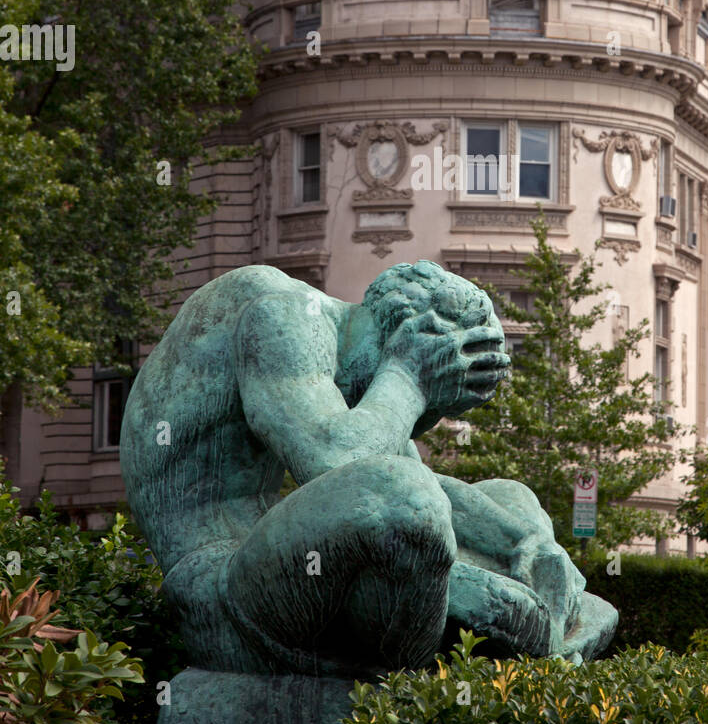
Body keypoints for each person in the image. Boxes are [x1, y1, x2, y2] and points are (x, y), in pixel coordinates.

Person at [120, 260, 617, 676]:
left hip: (292, 567)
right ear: (401, 339)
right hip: (221, 589)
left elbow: (415, 479)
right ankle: (414, 692)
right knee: (401, 496)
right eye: (429, 408)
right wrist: (407, 376)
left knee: (514, 501)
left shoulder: (347, 363)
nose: (419, 424)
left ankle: (532, 630)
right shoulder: (280, 313)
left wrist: (526, 542)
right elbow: (342, 463)